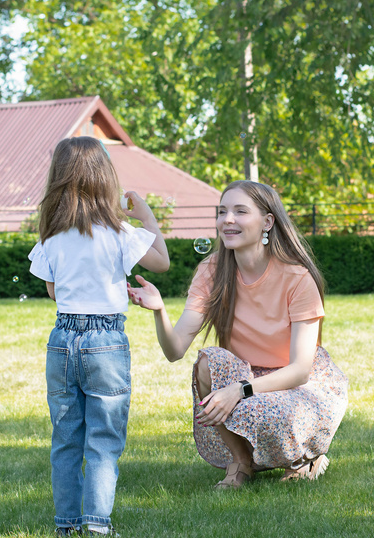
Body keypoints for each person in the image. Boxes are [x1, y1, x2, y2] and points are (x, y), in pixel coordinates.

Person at [127, 180, 348, 489]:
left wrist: (240, 390)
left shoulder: (298, 278)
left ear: (267, 222)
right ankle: (240, 462)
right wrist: (159, 310)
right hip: (245, 373)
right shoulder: (211, 270)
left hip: (298, 383)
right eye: (222, 212)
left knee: (273, 412)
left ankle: (304, 456)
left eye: (240, 211)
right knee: (207, 362)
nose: (227, 219)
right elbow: (175, 349)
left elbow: (299, 371)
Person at [28, 136, 170, 538]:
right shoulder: (119, 231)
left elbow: (54, 291)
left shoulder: (51, 237)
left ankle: (66, 524)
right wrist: (147, 217)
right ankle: (97, 523)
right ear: (105, 178)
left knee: (66, 437)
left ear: (58, 179)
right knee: (104, 438)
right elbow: (161, 262)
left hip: (62, 339)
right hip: (105, 340)